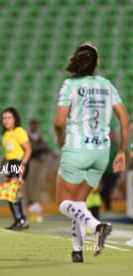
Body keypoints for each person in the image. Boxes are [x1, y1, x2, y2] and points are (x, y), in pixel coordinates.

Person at [54, 42, 129, 262]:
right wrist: (121, 151)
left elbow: (59, 122)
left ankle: (97, 226)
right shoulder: (106, 84)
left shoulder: (70, 85)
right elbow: (124, 121)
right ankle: (77, 252)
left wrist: (60, 140)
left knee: (63, 202)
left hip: (77, 147)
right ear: (96, 63)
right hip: (101, 151)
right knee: (79, 204)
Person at [0, 107, 32, 230]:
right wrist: (2, 162)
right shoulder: (6, 133)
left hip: (20, 162)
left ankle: (21, 220)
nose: (6, 120)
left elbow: (28, 149)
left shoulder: (19, 131)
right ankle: (20, 220)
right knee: (11, 193)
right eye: (4, 118)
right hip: (11, 163)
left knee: (13, 191)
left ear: (15, 119)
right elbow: (9, 152)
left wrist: (23, 165)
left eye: (9, 118)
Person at [25, 118, 49, 222]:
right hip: (31, 161)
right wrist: (36, 139)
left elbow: (45, 147)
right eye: (32, 125)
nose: (34, 127)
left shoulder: (39, 135)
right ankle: (31, 202)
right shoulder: (27, 136)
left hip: (39, 161)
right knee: (30, 183)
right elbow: (29, 148)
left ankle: (34, 202)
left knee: (37, 182)